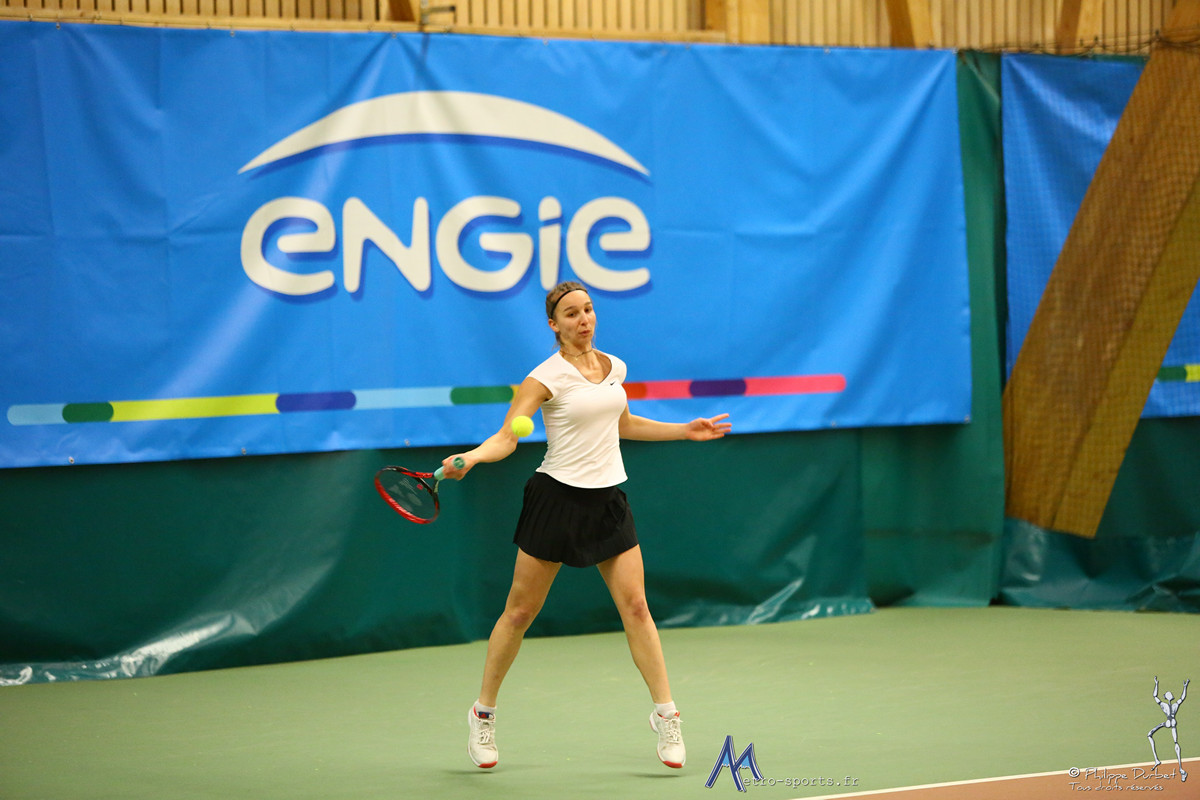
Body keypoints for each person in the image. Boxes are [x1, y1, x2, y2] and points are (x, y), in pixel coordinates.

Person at [440, 280, 731, 771]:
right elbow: (508, 436)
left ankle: (666, 715)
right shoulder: (543, 378)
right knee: (519, 613)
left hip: (608, 500)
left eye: (589, 309)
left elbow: (624, 425)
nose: (584, 319)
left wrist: (684, 430)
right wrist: (471, 458)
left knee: (636, 607)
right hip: (556, 500)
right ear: (554, 325)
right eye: (572, 313)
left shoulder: (614, 367)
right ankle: (483, 714)